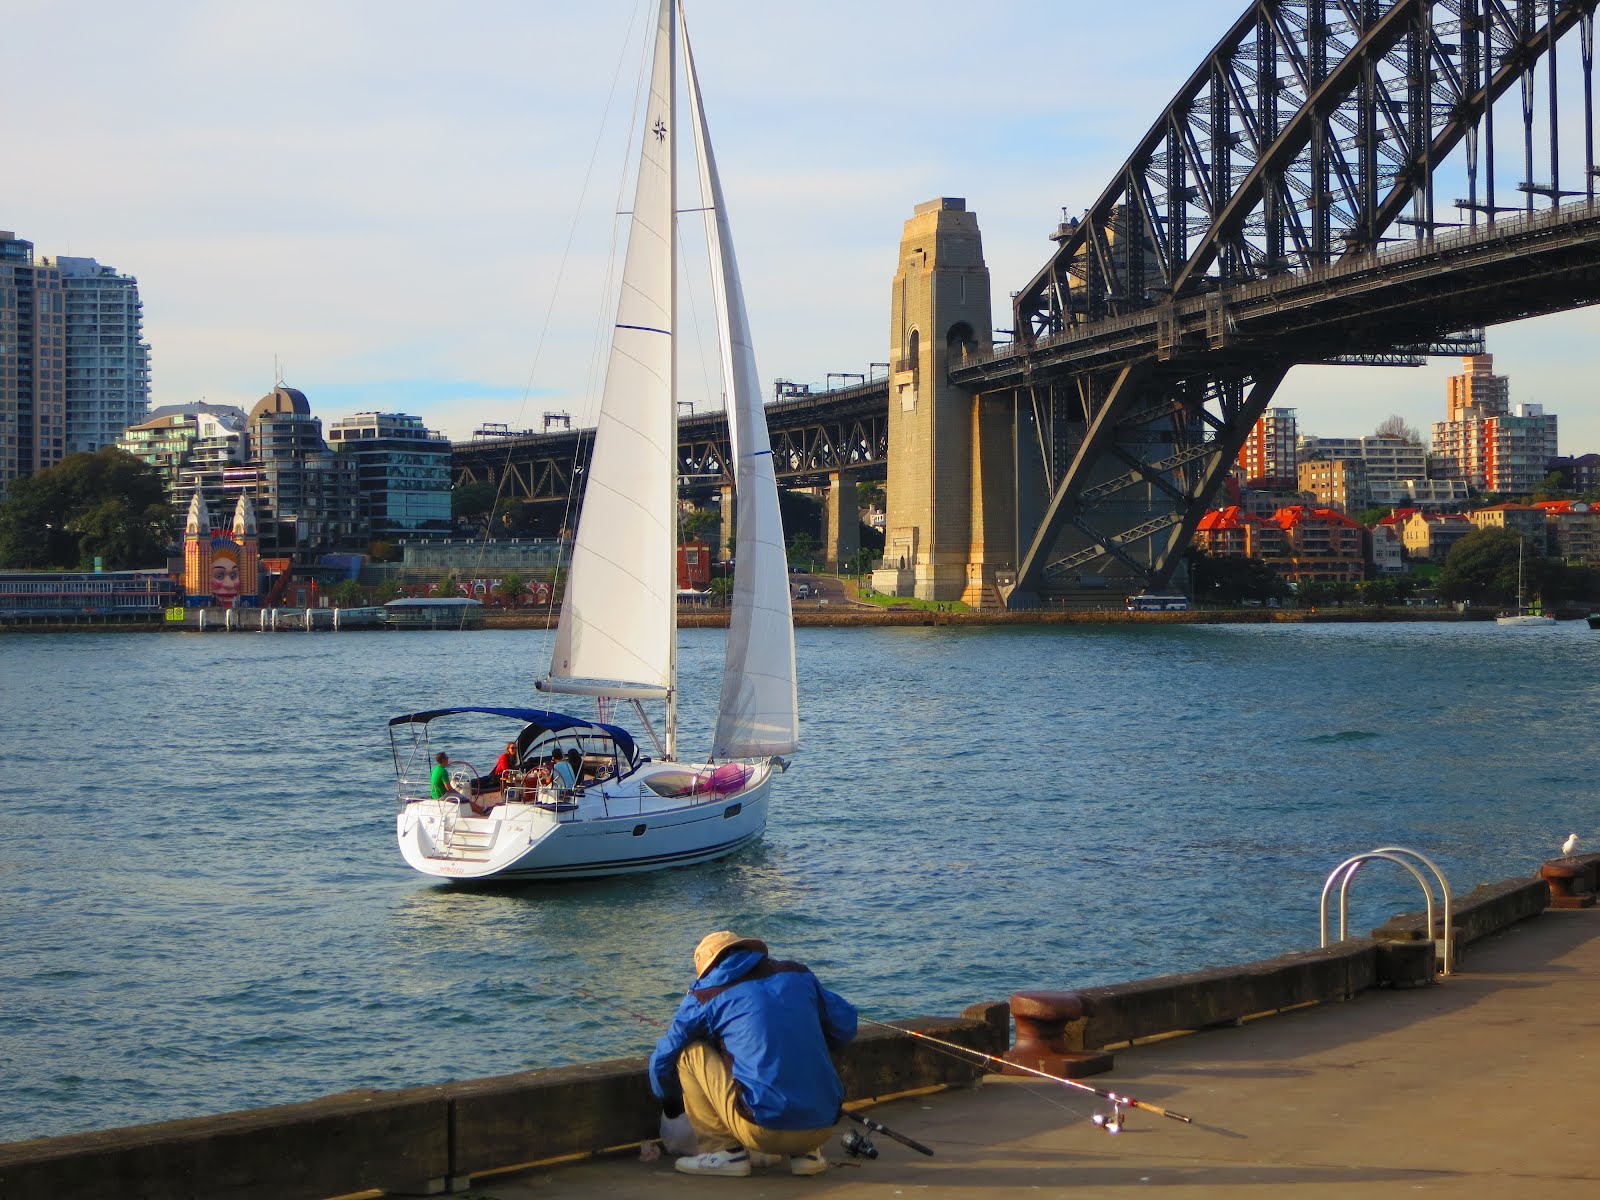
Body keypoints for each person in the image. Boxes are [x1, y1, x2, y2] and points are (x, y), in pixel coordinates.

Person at [648, 930, 857, 1178]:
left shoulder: (706, 993)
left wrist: (670, 1103)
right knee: (801, 1035)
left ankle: (724, 1152)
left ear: (706, 970)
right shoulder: (798, 974)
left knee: (688, 1053)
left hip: (762, 1130)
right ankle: (807, 1154)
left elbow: (662, 1059)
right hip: (824, 1126)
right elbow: (846, 1026)